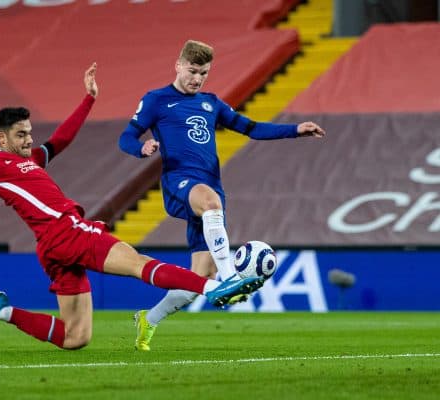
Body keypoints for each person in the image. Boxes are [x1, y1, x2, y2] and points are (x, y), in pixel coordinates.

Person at [0, 62, 263, 351]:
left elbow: (60, 140)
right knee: (139, 264)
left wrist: (88, 99)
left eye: (29, 133)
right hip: (67, 232)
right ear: (1, 137)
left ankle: (1, 311)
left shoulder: (30, 161)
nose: (29, 140)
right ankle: (216, 287)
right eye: (21, 135)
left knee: (75, 338)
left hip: (53, 246)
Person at [119, 40, 325, 351]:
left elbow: (252, 128)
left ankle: (150, 319)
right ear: (178, 65)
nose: (197, 79)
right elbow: (126, 136)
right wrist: (141, 148)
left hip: (211, 188)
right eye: (192, 71)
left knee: (198, 279)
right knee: (211, 205)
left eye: (203, 73)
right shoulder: (157, 100)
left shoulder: (211, 103)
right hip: (180, 182)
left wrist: (294, 130)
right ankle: (230, 275)